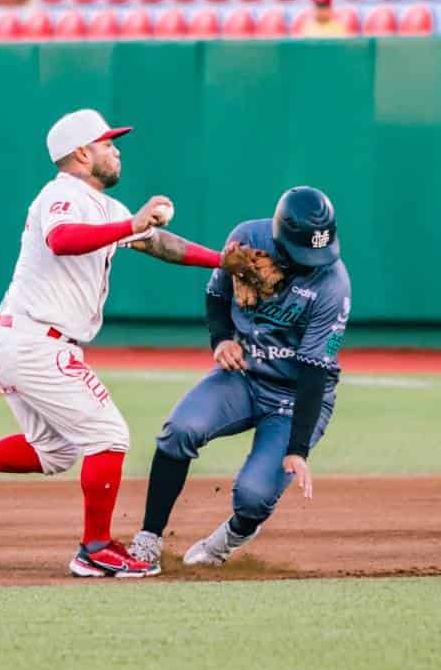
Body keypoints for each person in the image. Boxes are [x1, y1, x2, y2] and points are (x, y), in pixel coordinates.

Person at [0, 109, 225, 578]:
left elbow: (158, 243)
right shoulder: (60, 194)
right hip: (35, 339)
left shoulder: (105, 208)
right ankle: (94, 549)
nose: (116, 150)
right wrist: (130, 225)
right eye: (108, 143)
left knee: (54, 451)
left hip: (25, 339)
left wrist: (223, 262)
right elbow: (62, 240)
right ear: (82, 153)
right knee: (109, 436)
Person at [128, 187, 350, 571]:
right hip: (243, 377)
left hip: (294, 399)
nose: (312, 262)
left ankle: (230, 538)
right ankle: (148, 539)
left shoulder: (332, 285)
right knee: (179, 429)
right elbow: (216, 296)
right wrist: (221, 341)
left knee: (253, 495)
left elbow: (315, 370)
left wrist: (298, 449)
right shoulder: (248, 238)